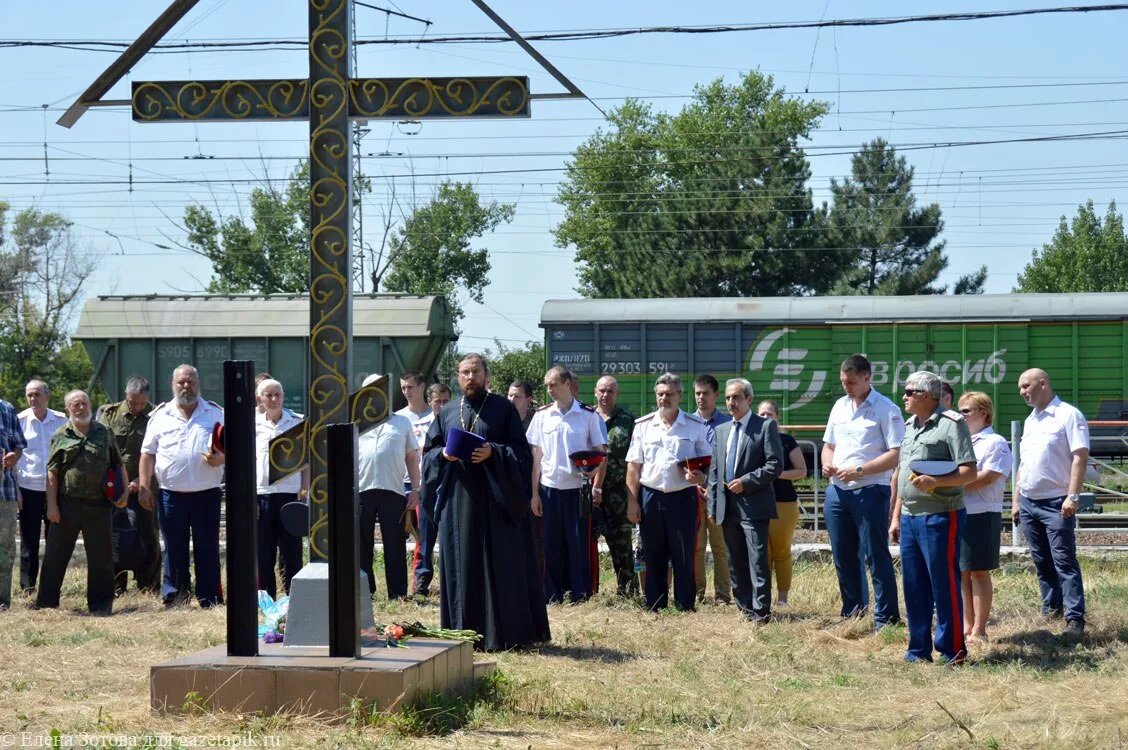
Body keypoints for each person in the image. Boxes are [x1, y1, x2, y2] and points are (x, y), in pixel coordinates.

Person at [421, 353, 550, 650]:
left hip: (496, 502)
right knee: (463, 563)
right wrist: (444, 455)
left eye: (475, 371)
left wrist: (493, 452)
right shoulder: (448, 411)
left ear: (486, 376)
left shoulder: (502, 409)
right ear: (457, 376)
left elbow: (521, 454)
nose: (469, 377)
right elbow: (429, 453)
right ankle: (463, 631)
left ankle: (502, 634)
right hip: (459, 502)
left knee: (497, 565)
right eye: (464, 372)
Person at [889, 371, 976, 664]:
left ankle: (952, 650)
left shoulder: (952, 424)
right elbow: (903, 474)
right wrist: (896, 516)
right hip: (911, 517)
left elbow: (969, 471)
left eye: (910, 391)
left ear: (928, 396)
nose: (905, 396)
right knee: (914, 585)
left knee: (944, 584)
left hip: (940, 515)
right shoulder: (910, 426)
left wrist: (936, 482)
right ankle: (918, 650)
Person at [821, 354, 904, 627]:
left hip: (870, 489)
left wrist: (861, 470)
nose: (847, 386)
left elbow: (896, 454)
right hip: (837, 491)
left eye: (852, 382)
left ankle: (886, 618)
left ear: (868, 377)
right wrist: (826, 464)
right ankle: (852, 613)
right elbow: (829, 445)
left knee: (875, 555)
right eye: (844, 381)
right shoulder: (839, 406)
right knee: (843, 554)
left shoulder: (886, 408)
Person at [139, 364, 225, 608]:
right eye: (181, 382)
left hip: (206, 493)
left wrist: (222, 458)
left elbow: (235, 448)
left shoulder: (216, 414)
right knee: (174, 548)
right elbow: (147, 454)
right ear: (173, 384)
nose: (186, 386)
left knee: (207, 547)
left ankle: (210, 597)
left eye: (191, 382)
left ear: (198, 384)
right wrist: (145, 485)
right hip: (171, 495)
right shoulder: (160, 416)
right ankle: (176, 597)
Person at [35, 390, 126, 615]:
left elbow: (119, 464)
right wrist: (52, 506)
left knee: (101, 558)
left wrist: (124, 493)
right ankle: (47, 604)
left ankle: (101, 606)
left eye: (83, 403)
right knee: (55, 555)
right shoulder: (60, 434)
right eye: (75, 405)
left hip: (99, 504)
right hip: (67, 503)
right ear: (68, 409)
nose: (80, 408)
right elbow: (52, 473)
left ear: (90, 404)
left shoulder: (104, 432)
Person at [1014, 368, 1089, 638]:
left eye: (1026, 385)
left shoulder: (1068, 415)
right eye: (1020, 387)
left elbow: (1080, 457)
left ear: (1043, 383)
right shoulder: (1031, 420)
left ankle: (1075, 619)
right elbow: (1024, 463)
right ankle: (1051, 608)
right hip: (1029, 501)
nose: (1022, 391)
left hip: (1057, 502)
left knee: (1064, 561)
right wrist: (1017, 500)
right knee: (1041, 560)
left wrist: (1073, 495)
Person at [626, 373, 711, 612]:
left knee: (684, 552)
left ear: (680, 396)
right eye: (660, 394)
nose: (664, 398)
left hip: (682, 497)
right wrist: (632, 502)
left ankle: (685, 605)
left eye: (670, 394)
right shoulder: (643, 426)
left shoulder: (695, 426)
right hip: (651, 496)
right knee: (653, 552)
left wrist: (700, 476)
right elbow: (633, 467)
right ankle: (655, 603)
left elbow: (706, 463)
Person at [528, 366, 607, 603]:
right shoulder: (541, 416)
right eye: (547, 385)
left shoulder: (588, 415)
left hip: (577, 489)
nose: (549, 389)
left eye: (553, 384)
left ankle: (580, 594)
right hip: (550, 489)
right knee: (552, 544)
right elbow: (536, 458)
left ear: (567, 384)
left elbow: (601, 453)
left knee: (578, 543)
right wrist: (534, 494)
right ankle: (553, 594)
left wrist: (596, 482)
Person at [707, 380, 783, 623]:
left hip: (754, 505)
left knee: (757, 559)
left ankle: (761, 612)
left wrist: (746, 481)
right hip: (727, 506)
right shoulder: (721, 430)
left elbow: (775, 465)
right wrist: (712, 505)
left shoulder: (765, 426)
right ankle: (744, 608)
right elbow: (715, 472)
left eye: (737, 397)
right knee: (735, 559)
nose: (731, 402)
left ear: (749, 400)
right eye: (728, 398)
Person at [358, 373, 420, 600]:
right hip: (361, 490)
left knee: (394, 542)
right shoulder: (355, 422)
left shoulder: (401, 422)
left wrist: (416, 489)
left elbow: (411, 458)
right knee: (361, 543)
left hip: (393, 490)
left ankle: (398, 592)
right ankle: (366, 591)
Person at [98, 376, 162, 596]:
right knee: (114, 536)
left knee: (149, 536)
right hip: (115, 488)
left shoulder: (156, 415)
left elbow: (161, 453)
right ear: (126, 395)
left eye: (142, 404)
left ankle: (149, 586)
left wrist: (140, 481)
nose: (137, 408)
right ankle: (116, 586)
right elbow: (102, 451)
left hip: (147, 487)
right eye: (133, 403)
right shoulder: (109, 415)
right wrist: (119, 483)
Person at [957, 391, 1012, 643]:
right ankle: (967, 625)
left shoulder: (995, 442)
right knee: (963, 571)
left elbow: (989, 476)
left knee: (978, 571)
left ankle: (980, 629)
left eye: (966, 411)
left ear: (984, 413)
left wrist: (951, 486)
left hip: (982, 512)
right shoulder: (963, 441)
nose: (961, 415)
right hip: (960, 510)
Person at [254, 378, 306, 600]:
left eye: (278, 395)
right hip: (262, 496)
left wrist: (304, 491)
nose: (274, 399)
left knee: (291, 552)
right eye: (269, 395)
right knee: (264, 552)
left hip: (289, 495)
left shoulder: (297, 422)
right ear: (260, 399)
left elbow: (306, 461)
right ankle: (266, 601)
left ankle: (293, 599)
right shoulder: (252, 426)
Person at [16, 379, 66, 593]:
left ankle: (51, 586)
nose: (33, 399)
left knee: (56, 540)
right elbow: (14, 458)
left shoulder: (61, 420)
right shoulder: (19, 421)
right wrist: (16, 491)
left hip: (56, 489)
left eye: (37, 394)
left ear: (47, 395)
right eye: (29, 395)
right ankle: (28, 587)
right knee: (29, 540)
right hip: (28, 488)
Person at [757, 398, 808, 607]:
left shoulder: (787, 441)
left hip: (784, 503)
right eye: (761, 414)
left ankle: (783, 598)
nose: (765, 417)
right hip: (759, 502)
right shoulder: (754, 440)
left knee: (781, 551)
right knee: (762, 553)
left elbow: (802, 471)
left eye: (769, 414)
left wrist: (777, 475)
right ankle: (763, 597)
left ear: (777, 417)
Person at [592, 375, 637, 596]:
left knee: (622, 544)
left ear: (617, 394)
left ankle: (628, 590)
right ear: (595, 392)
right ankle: (587, 589)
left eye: (610, 391)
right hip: (589, 492)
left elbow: (636, 458)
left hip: (619, 492)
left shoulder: (628, 420)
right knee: (587, 543)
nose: (605, 395)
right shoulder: (587, 417)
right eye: (601, 390)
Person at [396, 370, 437, 597]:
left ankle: (421, 579)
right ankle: (399, 582)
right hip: (399, 482)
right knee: (396, 535)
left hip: (425, 484)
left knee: (423, 535)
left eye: (410, 387)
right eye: (403, 388)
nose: (406, 392)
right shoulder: (399, 418)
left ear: (422, 387)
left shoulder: (435, 418)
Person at [692, 374, 732, 605]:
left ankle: (723, 596)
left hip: (718, 495)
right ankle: (697, 593)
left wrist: (715, 487)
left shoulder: (727, 424)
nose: (700, 398)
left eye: (705, 393)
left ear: (715, 395)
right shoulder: (688, 422)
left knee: (720, 547)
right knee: (696, 547)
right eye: (697, 393)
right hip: (694, 494)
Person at [0, 396, 27, 611]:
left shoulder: (7, 409)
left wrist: (13, 456)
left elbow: (19, 445)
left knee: (5, 549)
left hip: (5, 492)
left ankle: (2, 602)